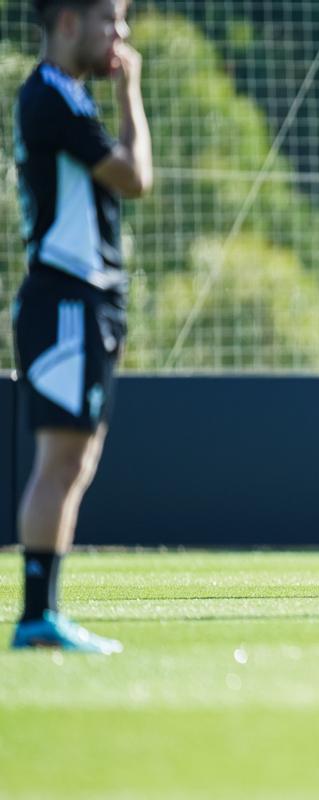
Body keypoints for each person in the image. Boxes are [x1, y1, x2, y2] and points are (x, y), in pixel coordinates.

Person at [10, 0, 151, 653]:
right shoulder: (51, 97)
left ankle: (43, 614)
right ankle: (37, 616)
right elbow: (134, 176)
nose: (120, 37)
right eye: (111, 22)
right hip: (65, 297)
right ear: (69, 22)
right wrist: (131, 92)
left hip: (86, 301)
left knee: (75, 459)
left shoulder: (64, 94)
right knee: (61, 459)